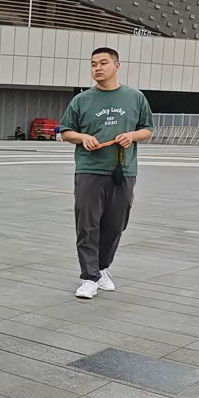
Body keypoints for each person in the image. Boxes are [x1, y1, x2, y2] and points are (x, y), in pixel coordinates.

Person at [59, 47, 154, 299]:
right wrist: (83, 138)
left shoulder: (135, 97)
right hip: (89, 170)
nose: (97, 68)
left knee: (115, 224)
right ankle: (88, 277)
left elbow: (147, 129)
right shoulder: (82, 100)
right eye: (93, 64)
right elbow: (65, 131)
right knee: (87, 224)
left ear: (116, 66)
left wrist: (132, 135)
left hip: (123, 171)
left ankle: (101, 268)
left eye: (103, 63)